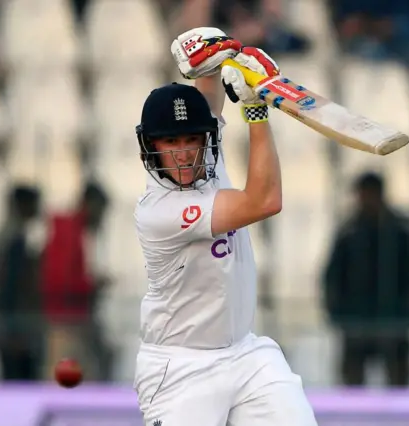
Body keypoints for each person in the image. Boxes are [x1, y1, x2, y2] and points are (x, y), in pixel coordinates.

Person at [133, 27, 317, 426]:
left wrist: (215, 57)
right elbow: (264, 200)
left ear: (206, 140)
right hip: (181, 368)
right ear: (150, 147)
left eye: (190, 140)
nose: (182, 153)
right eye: (169, 143)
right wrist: (254, 107)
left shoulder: (207, 159)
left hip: (246, 355)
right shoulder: (160, 211)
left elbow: (207, 104)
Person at [321, 172, 409, 386]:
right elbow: (333, 274)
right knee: (353, 381)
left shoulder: (404, 231)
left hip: (396, 320)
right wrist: (336, 309)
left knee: (399, 379)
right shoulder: (350, 232)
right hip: (357, 321)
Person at [41, 181, 114, 382]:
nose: (101, 218)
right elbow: (60, 280)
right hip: (66, 320)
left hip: (73, 319)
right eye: (101, 210)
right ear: (89, 204)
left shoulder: (75, 232)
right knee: (67, 379)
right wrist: (92, 284)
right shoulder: (69, 233)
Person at [0, 184, 44, 381]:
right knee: (17, 379)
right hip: (12, 326)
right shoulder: (14, 239)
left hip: (3, 322)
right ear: (22, 205)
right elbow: (9, 286)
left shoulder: (4, 234)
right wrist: (14, 328)